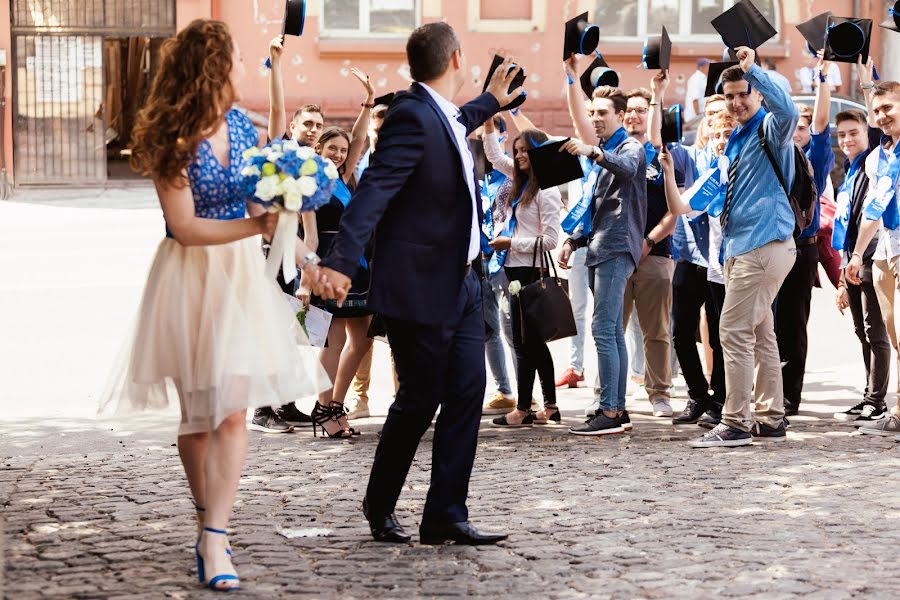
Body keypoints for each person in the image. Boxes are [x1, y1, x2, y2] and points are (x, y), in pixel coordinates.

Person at [100, 20, 329, 590]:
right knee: (197, 420)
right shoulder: (170, 135)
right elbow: (184, 227)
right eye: (226, 64)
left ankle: (216, 538)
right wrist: (255, 224)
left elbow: (261, 198)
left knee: (231, 409)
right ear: (209, 69)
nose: (232, 74)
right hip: (189, 277)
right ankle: (209, 521)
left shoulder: (241, 128)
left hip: (242, 279)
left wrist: (304, 255)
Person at [313, 22, 520, 545]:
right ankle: (379, 503)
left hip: (466, 282)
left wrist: (490, 100)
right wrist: (340, 261)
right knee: (418, 400)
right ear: (455, 58)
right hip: (419, 287)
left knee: (468, 393)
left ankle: (445, 513)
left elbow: (457, 121)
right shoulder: (409, 114)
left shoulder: (444, 113)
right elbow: (375, 189)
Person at [680, 47, 798, 448]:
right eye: (730, 95)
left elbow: (790, 113)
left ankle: (734, 422)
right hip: (743, 248)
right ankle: (771, 417)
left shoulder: (769, 129)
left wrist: (755, 70)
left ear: (759, 95)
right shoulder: (737, 138)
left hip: (763, 245)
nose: (736, 102)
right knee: (761, 333)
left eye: (744, 92)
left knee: (730, 329)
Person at [558, 83, 647, 437]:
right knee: (611, 331)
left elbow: (626, 168)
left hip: (616, 247)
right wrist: (573, 240)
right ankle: (617, 409)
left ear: (621, 116)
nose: (595, 119)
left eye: (602, 113)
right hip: (598, 245)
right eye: (592, 113)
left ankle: (609, 411)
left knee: (602, 329)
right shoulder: (607, 149)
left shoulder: (630, 147)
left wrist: (592, 152)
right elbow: (597, 209)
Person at [483, 122, 563, 428]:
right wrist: (490, 120)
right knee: (532, 343)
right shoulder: (519, 181)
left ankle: (522, 409)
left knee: (525, 342)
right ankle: (549, 406)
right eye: (516, 151)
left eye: (525, 151)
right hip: (512, 268)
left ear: (539, 152)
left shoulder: (547, 190)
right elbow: (493, 156)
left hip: (531, 272)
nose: (518, 156)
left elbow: (551, 241)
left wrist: (510, 243)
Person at [662, 109, 736, 429]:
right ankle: (697, 394)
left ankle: (720, 399)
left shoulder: (740, 168)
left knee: (721, 335)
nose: (721, 140)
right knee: (680, 331)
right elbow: (679, 201)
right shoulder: (698, 162)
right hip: (692, 257)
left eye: (728, 134)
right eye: (716, 132)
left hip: (723, 264)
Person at [301, 120, 376, 438]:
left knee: (363, 339)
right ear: (318, 147)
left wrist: (368, 104)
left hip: (358, 267)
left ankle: (335, 406)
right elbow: (309, 237)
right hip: (329, 266)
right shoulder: (308, 181)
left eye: (343, 151)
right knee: (335, 339)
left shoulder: (345, 178)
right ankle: (322, 408)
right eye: (332, 148)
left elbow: (358, 140)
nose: (339, 154)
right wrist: (306, 279)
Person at [617, 83, 684, 418]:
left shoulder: (665, 156)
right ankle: (609, 396)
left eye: (641, 110)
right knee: (612, 328)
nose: (634, 115)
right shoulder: (612, 153)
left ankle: (659, 393)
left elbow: (675, 210)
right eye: (629, 110)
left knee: (656, 330)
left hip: (654, 254)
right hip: (616, 256)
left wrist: (649, 242)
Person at [777, 50, 835, 416]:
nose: (798, 130)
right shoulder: (774, 153)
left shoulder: (816, 155)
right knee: (765, 322)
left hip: (801, 249)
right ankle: (765, 391)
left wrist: (823, 79)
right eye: (792, 124)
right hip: (768, 247)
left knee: (792, 324)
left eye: (803, 125)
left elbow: (822, 125)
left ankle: (789, 396)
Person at [844, 77, 900, 437]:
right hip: (885, 252)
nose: (881, 115)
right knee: (896, 337)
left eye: (888, 108)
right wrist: (857, 255)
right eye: (876, 110)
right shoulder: (880, 156)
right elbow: (872, 208)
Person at [829, 105, 890, 428]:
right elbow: (847, 223)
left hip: (871, 255)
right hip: (853, 257)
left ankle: (876, 400)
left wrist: (867, 83)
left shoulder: (873, 163)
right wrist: (841, 273)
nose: (847, 139)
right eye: (842, 135)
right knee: (860, 330)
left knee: (875, 331)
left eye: (854, 133)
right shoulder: (850, 170)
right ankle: (869, 394)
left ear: (868, 134)